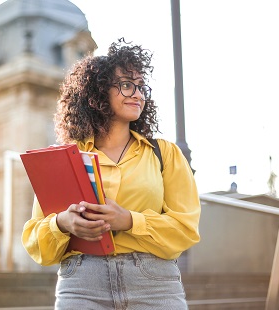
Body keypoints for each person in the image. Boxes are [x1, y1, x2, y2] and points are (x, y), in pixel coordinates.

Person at [22, 38, 201, 309]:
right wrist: (62, 223)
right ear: (97, 92)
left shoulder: (164, 153)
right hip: (81, 283)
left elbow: (186, 230)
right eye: (127, 84)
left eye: (141, 87)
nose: (138, 94)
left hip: (153, 283)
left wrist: (129, 221)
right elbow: (36, 241)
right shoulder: (66, 158)